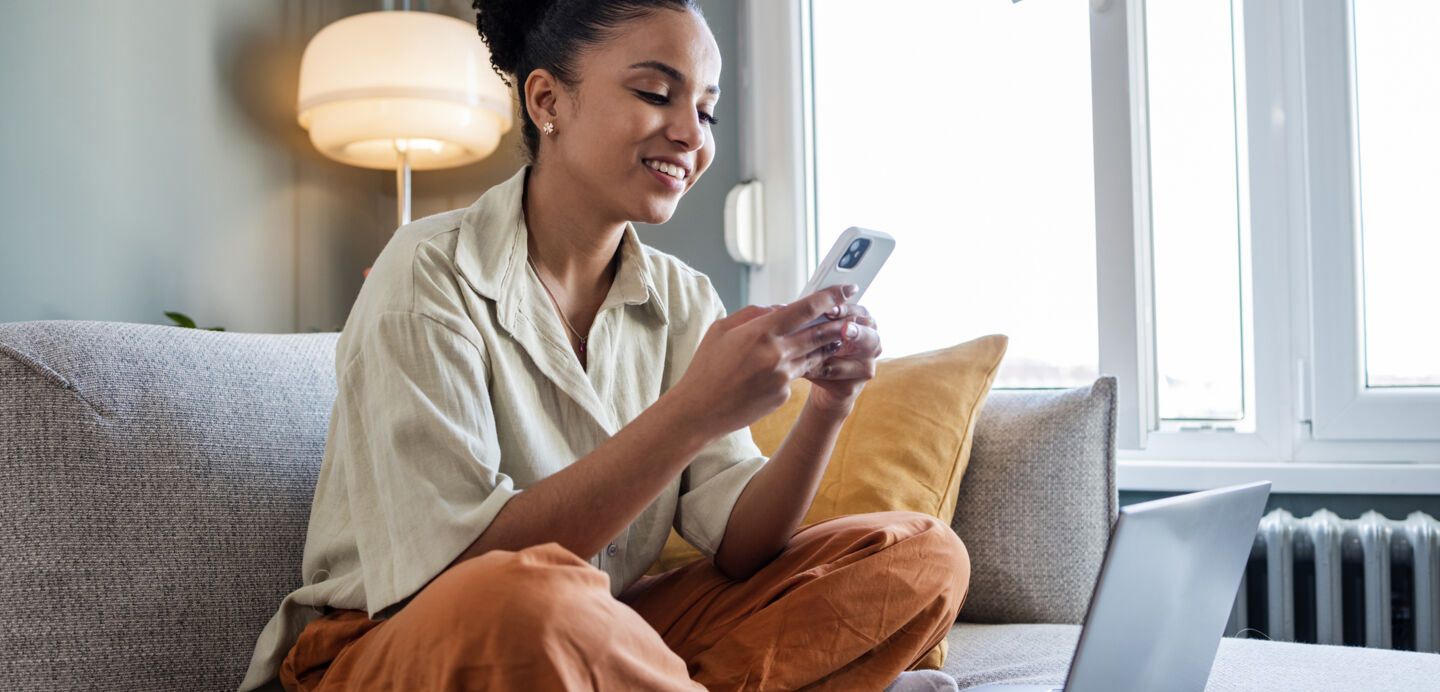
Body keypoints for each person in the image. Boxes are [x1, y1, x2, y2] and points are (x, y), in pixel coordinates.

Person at [238, 1, 969, 690]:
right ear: (548, 102)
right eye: (656, 93)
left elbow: (742, 544)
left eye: (707, 110)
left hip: (593, 630)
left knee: (919, 555)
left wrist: (829, 407)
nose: (693, 134)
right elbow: (456, 573)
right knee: (525, 603)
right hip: (400, 643)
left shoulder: (683, 299)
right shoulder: (428, 272)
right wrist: (691, 412)